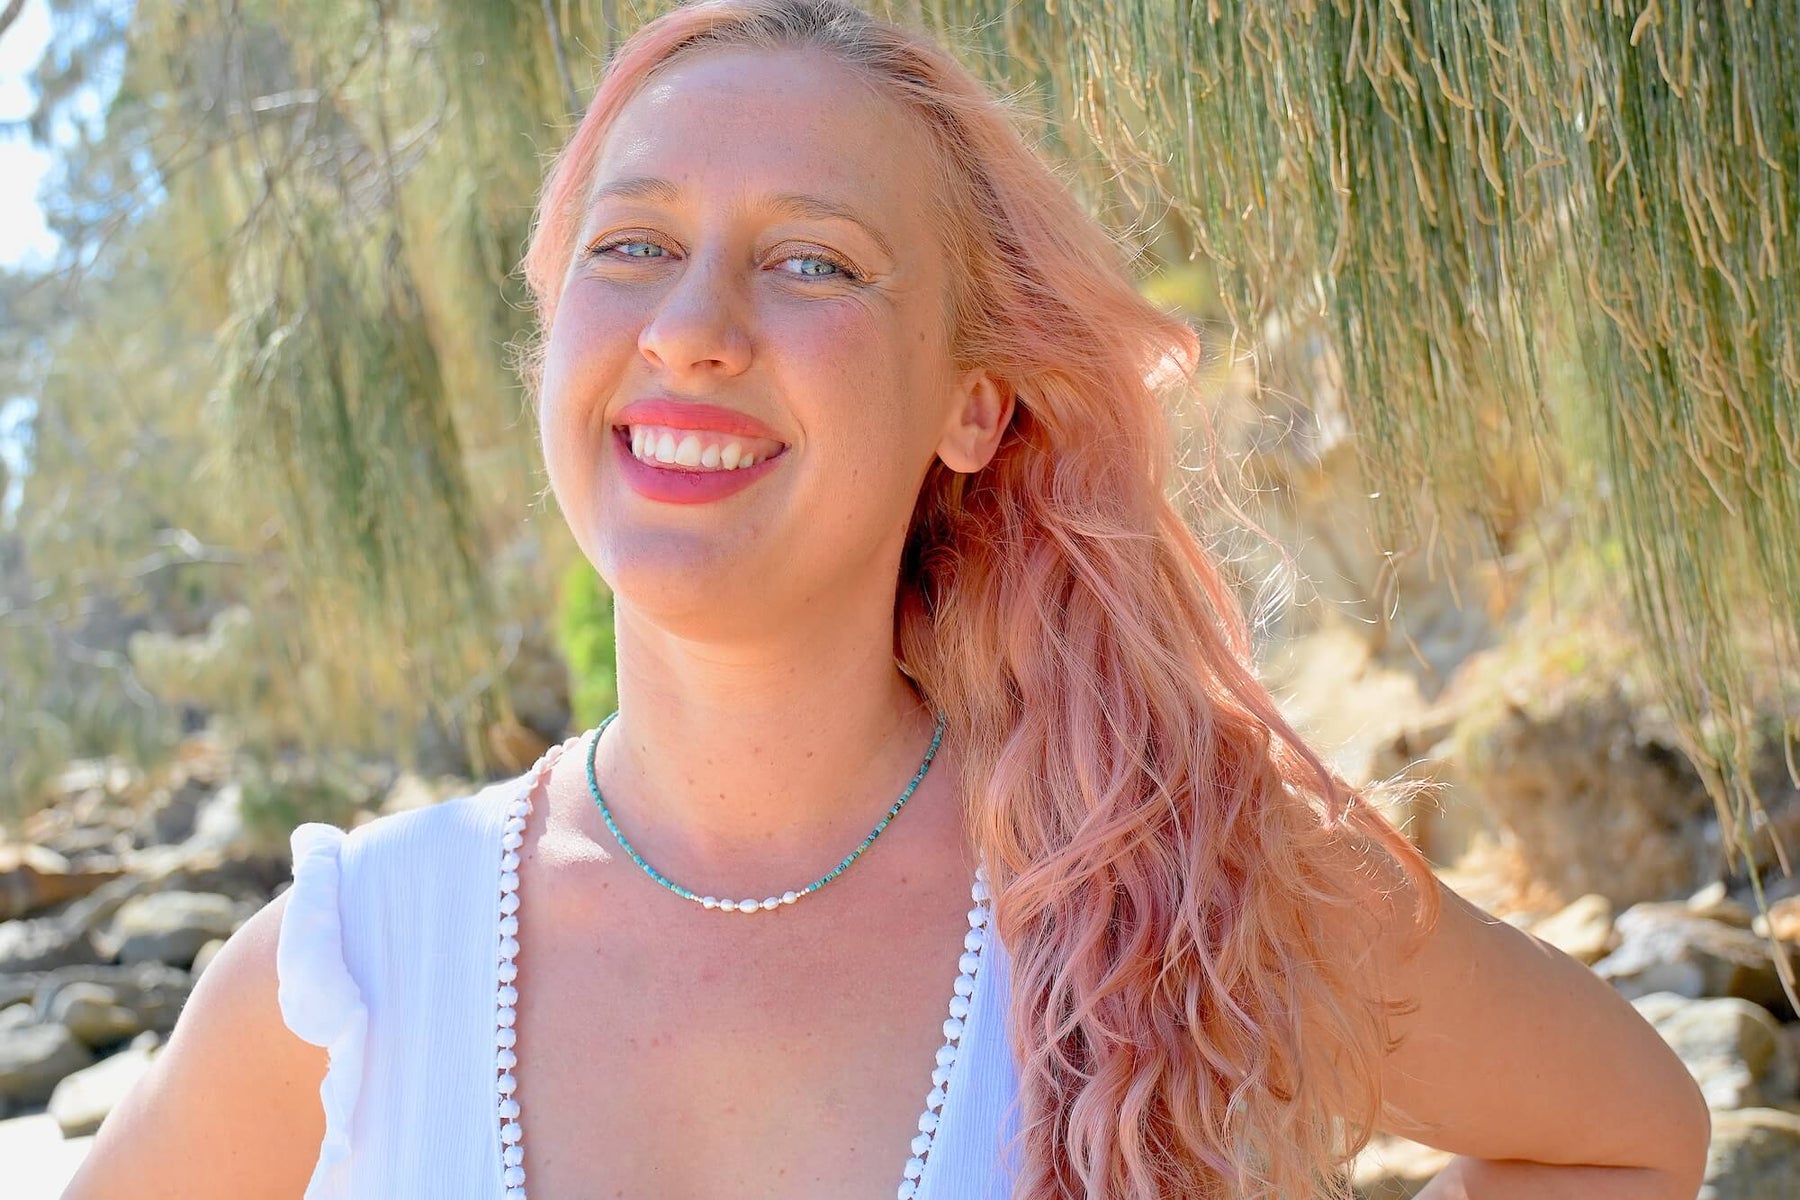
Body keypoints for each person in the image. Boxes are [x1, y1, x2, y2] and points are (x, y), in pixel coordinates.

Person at [65, 2, 1711, 1197]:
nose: (691, 327)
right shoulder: (350, 967)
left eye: (815, 262)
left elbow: (1631, 1140)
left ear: (971, 404)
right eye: (629, 246)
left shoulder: (1181, 891)